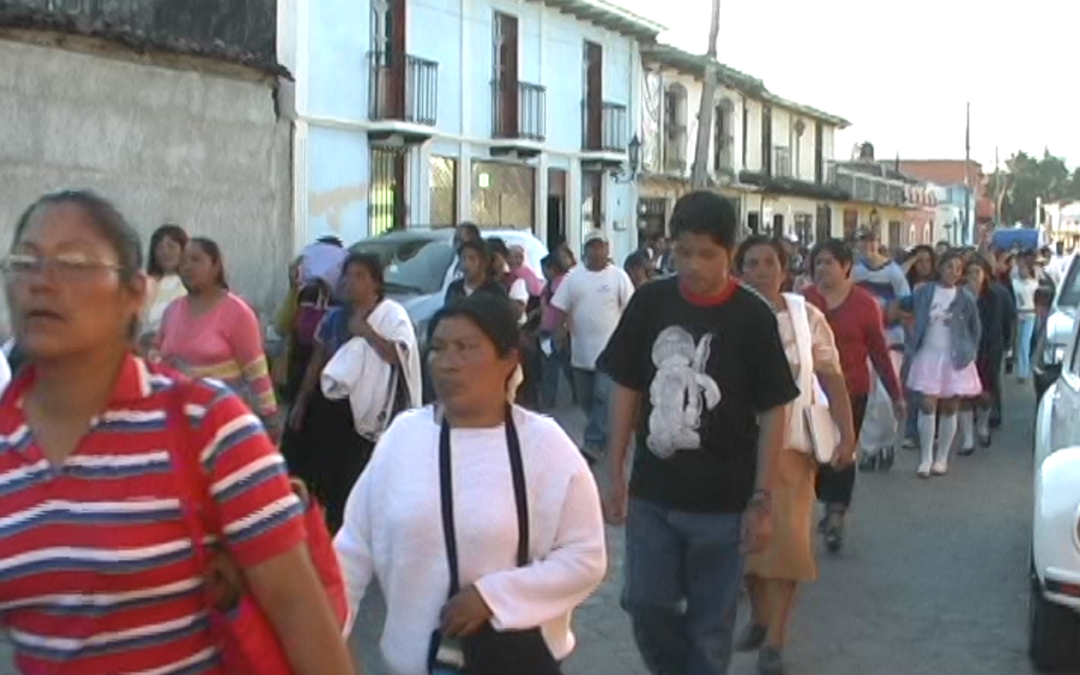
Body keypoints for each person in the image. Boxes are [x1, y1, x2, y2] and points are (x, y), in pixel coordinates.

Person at [0, 190, 356, 675]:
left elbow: (299, 613)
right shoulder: (7, 442)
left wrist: (272, 418)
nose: (41, 282)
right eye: (25, 261)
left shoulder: (209, 427)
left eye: (75, 264)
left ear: (132, 294)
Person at [334, 292, 606, 675]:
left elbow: (586, 557)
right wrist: (321, 638)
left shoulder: (544, 445)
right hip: (413, 663)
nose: (447, 364)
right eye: (439, 348)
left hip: (513, 660)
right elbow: (352, 549)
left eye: (466, 348)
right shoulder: (403, 438)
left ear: (508, 360)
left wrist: (494, 597)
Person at [600, 191, 799, 675]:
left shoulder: (752, 316)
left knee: (711, 626)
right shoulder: (650, 301)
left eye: (707, 254)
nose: (693, 265)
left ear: (729, 253)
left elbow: (775, 410)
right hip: (654, 496)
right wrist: (614, 471)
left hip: (724, 504)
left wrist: (762, 499)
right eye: (684, 252)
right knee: (647, 604)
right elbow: (625, 388)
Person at [734, 236, 856, 675]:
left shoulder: (807, 318)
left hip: (791, 448)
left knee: (786, 541)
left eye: (770, 262)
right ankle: (758, 615)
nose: (762, 270)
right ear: (740, 270)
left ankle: (775, 638)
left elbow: (832, 376)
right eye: (752, 263)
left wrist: (847, 434)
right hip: (737, 446)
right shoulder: (728, 316)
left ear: (785, 269)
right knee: (746, 545)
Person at [288, 252, 420, 530]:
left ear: (375, 283)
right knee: (330, 476)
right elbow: (318, 360)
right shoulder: (334, 319)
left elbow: (399, 356)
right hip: (334, 408)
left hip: (372, 410)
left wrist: (367, 332)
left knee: (361, 476)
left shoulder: (391, 315)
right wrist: (301, 401)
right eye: (348, 275)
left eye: (360, 275)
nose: (351, 282)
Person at [804, 240, 904, 552]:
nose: (822, 269)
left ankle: (836, 513)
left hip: (852, 391)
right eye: (818, 263)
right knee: (814, 453)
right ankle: (827, 501)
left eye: (829, 262)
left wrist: (895, 393)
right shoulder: (803, 301)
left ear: (846, 266)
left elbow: (878, 350)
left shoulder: (864, 304)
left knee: (843, 451)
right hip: (811, 392)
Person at [157, 237, 279, 432]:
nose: (187, 267)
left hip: (224, 423)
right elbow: (159, 363)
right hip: (179, 423)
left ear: (215, 267)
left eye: (196, 260)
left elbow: (256, 370)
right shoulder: (171, 311)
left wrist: (269, 417)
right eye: (184, 261)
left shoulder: (237, 312)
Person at [551, 230, 635, 463]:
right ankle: (607, 433)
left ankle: (593, 444)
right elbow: (559, 308)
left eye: (600, 246)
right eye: (591, 246)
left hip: (610, 354)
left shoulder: (618, 277)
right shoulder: (573, 278)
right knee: (586, 401)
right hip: (581, 354)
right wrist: (558, 332)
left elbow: (630, 310)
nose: (596, 251)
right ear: (585, 250)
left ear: (607, 249)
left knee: (601, 396)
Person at [901, 249, 982, 477]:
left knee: (950, 406)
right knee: (927, 403)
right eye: (949, 267)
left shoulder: (965, 296)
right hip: (928, 353)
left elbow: (975, 328)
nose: (954, 272)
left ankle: (942, 457)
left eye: (958, 269)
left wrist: (970, 351)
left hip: (954, 357)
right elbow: (905, 305)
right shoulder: (925, 291)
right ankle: (926, 457)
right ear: (940, 268)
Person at [852, 227, 910, 471]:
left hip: (890, 339)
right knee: (869, 395)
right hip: (864, 340)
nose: (868, 244)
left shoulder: (894, 272)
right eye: (863, 240)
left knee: (886, 397)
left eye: (872, 240)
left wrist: (887, 315)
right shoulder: (855, 271)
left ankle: (887, 442)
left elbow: (906, 303)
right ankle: (869, 449)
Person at [960, 256, 1011, 453]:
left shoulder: (994, 296)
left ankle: (982, 423)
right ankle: (967, 440)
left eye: (977, 272)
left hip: (989, 350)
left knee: (985, 393)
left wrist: (1006, 347)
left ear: (985, 275)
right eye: (970, 272)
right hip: (965, 351)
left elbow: (1001, 325)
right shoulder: (960, 296)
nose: (974, 276)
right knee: (964, 394)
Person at [141, 223, 189, 346]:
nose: (165, 252)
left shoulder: (193, 285)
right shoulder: (145, 284)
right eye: (160, 247)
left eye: (171, 246)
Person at [444, 239, 506, 305]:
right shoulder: (454, 289)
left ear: (485, 262)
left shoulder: (495, 291)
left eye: (472, 259)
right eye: (463, 258)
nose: (466, 264)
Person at [1013, 258, 1040, 384]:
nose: (1021, 270)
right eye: (1020, 268)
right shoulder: (1014, 283)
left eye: (1024, 268)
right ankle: (1023, 368)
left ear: (1029, 269)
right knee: (1019, 343)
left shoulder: (1035, 284)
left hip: (1030, 316)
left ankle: (1023, 372)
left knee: (1025, 342)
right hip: (1018, 316)